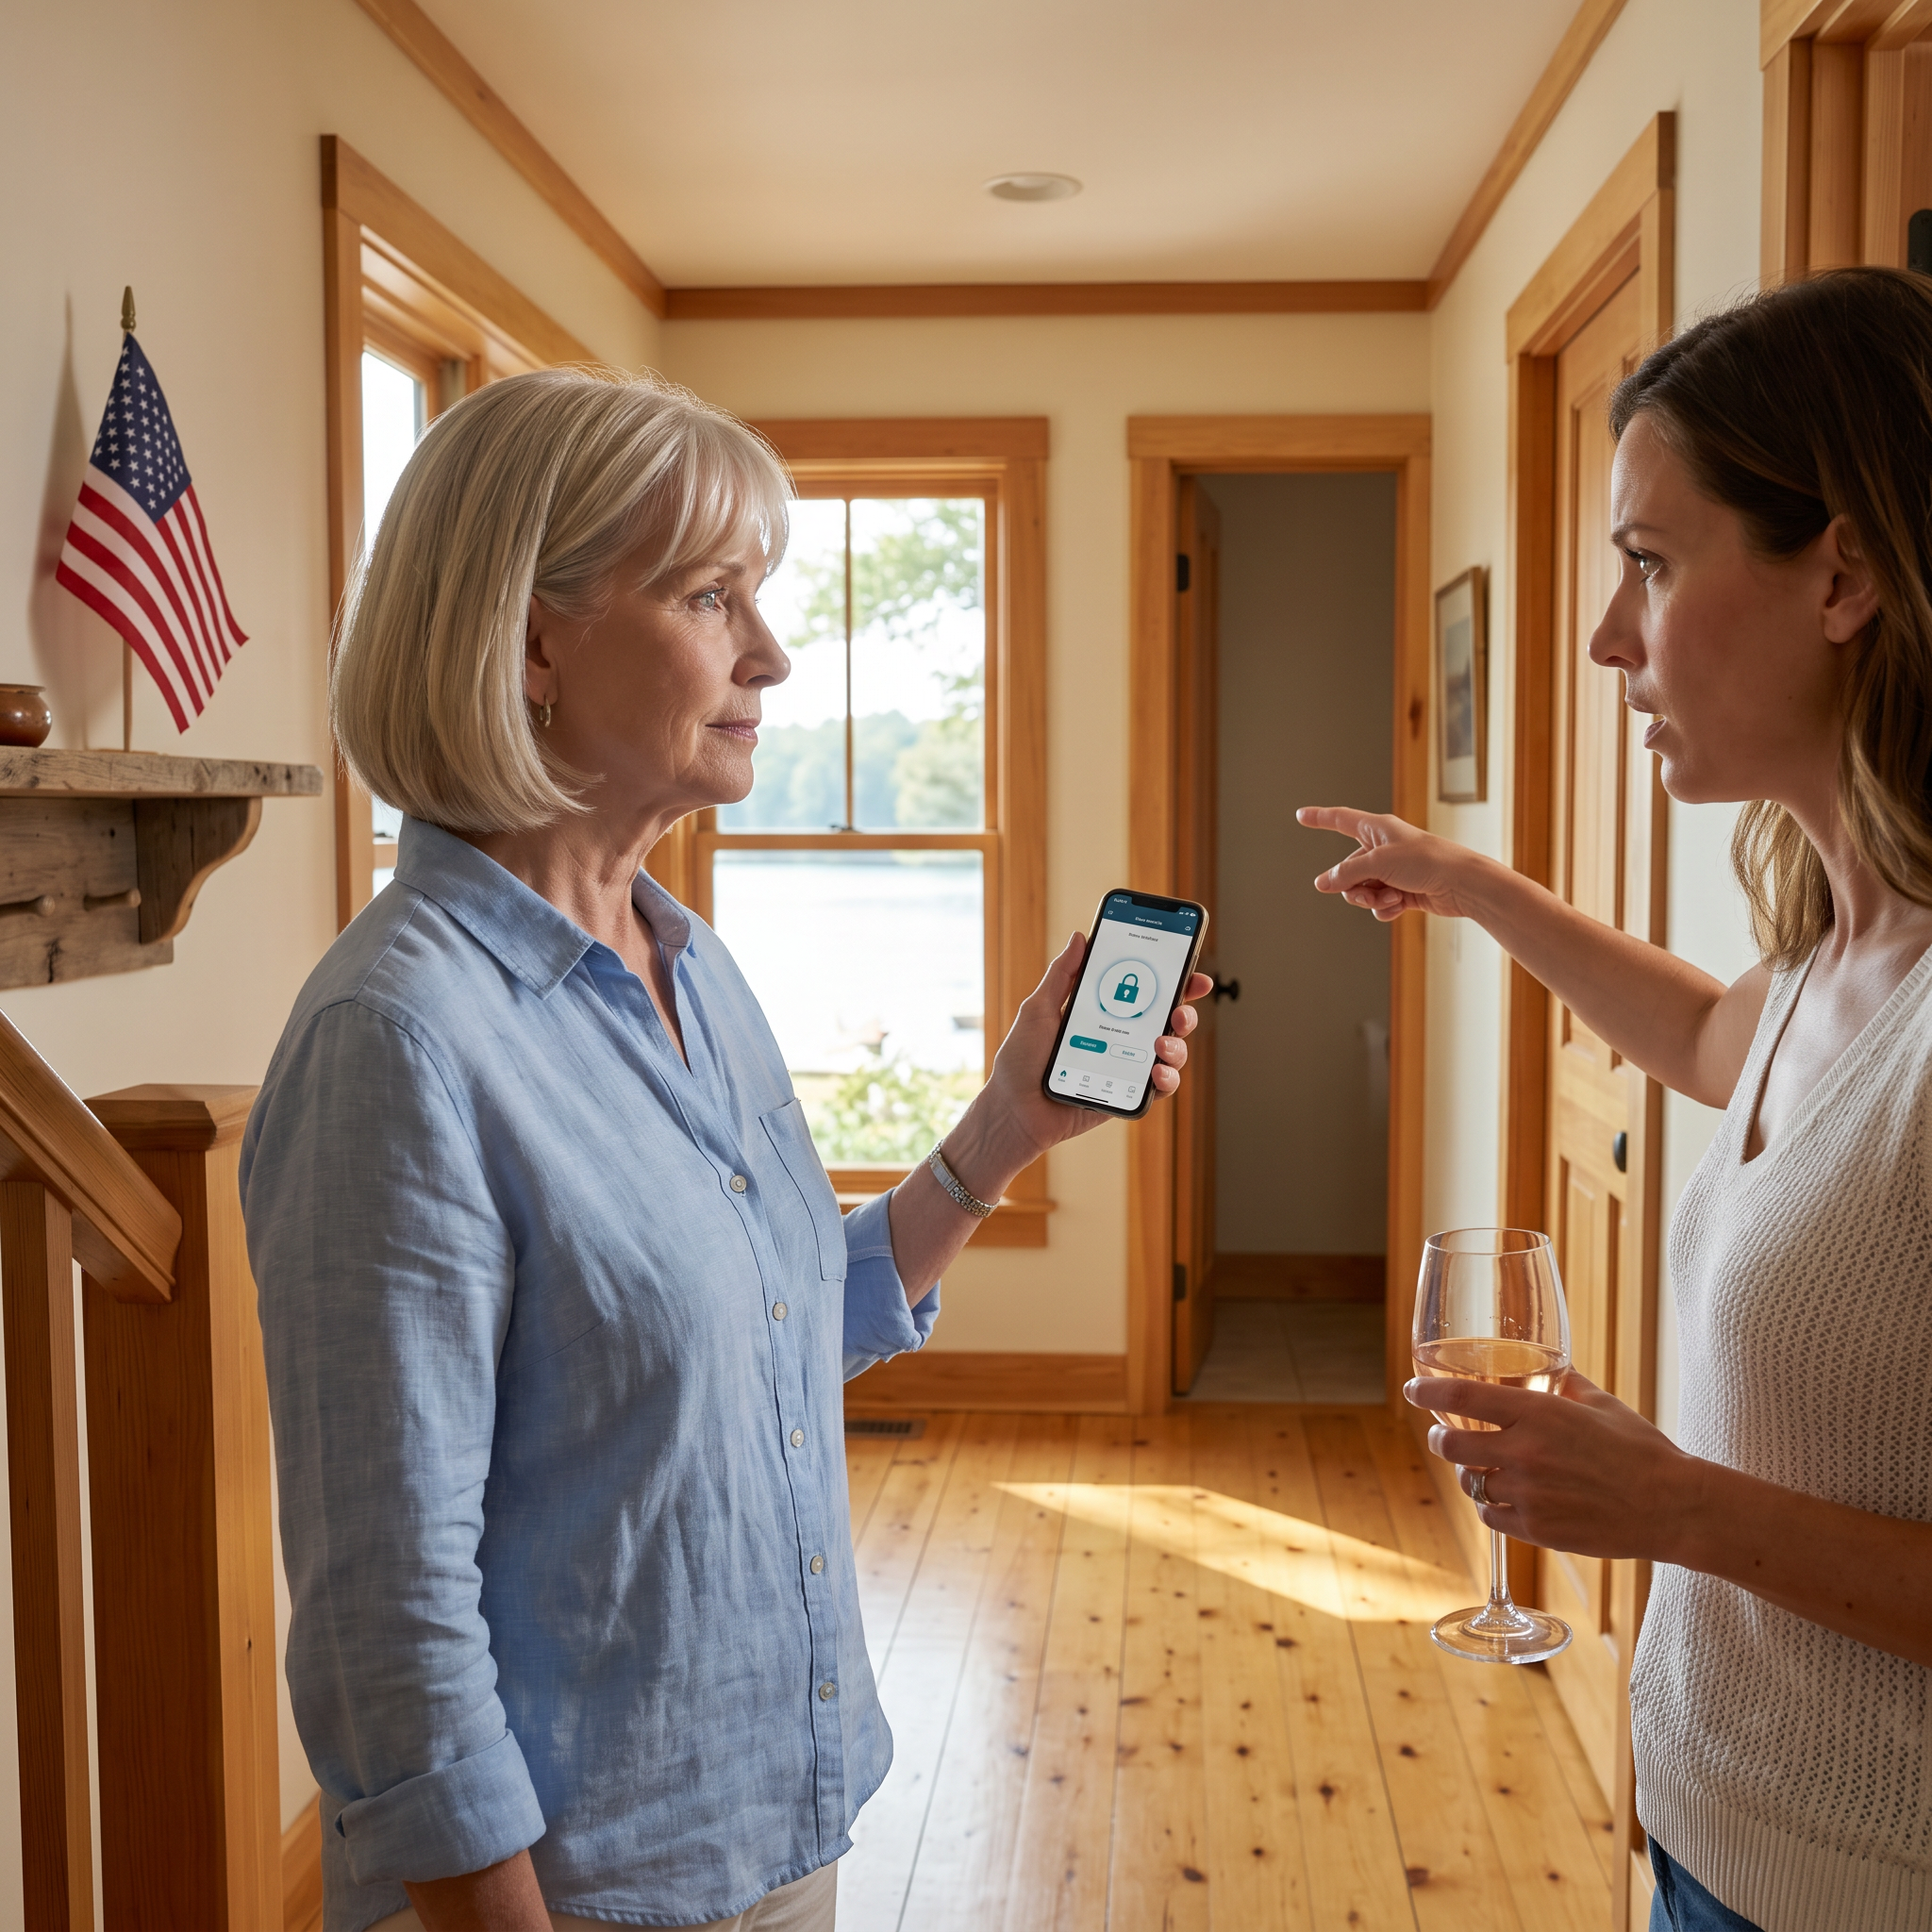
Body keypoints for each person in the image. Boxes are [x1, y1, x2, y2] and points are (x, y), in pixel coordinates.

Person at [242, 367, 1208, 1932]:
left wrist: (1009, 1128)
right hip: (578, 1893)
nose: (768, 651)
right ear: (532, 641)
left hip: (775, 1826)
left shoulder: (685, 960)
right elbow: (385, 1623)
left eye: (754, 593)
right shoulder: (397, 1046)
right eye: (708, 594)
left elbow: (764, 1337)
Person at [1301, 266, 1932, 1932]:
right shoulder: (1827, 956)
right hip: (1704, 1829)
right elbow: (1718, 1046)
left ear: (1847, 573)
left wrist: (1668, 1507)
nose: (1605, 636)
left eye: (1650, 564)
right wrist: (1482, 891)